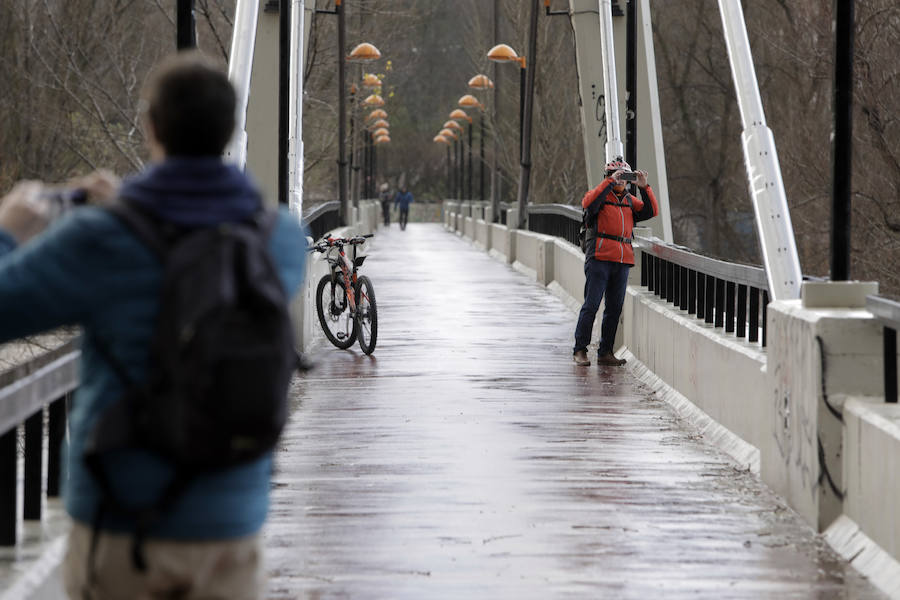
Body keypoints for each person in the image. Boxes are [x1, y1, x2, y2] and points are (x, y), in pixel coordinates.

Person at [0, 52, 307, 599]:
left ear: (151, 126)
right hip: (231, 528)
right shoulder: (278, 238)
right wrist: (135, 210)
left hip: (124, 526)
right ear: (229, 128)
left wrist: (10, 232)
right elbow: (194, 249)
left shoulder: (101, 240)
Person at [573, 157, 658, 367]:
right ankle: (580, 350)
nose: (621, 181)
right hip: (599, 258)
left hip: (622, 260)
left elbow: (651, 211)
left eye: (624, 177)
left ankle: (605, 352)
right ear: (608, 176)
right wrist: (610, 182)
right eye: (617, 175)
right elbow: (588, 203)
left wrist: (644, 187)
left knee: (614, 308)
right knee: (591, 305)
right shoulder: (600, 196)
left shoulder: (629, 200)